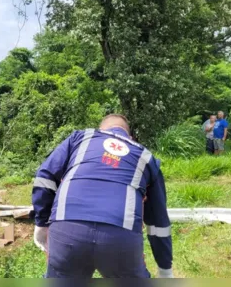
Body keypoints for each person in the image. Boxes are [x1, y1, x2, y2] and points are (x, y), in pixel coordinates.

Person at [32, 114, 173, 278]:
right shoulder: (146, 158)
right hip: (120, 238)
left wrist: (41, 223)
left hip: (67, 230)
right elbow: (158, 221)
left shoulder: (80, 137)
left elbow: (44, 177)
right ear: (130, 137)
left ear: (101, 130)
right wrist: (165, 269)